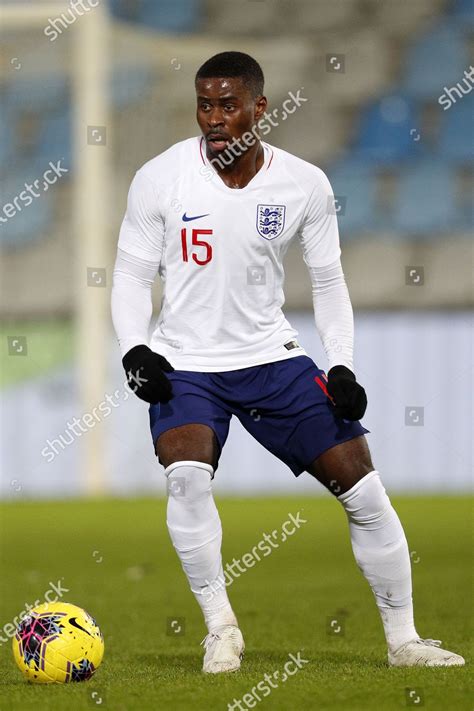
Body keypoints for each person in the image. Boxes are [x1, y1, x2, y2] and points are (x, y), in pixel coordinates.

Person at [111, 51, 464, 673]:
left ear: (259, 107)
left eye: (228, 104)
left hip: (273, 359)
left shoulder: (304, 183)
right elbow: (131, 277)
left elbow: (328, 283)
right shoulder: (159, 178)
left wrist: (344, 365)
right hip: (186, 363)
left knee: (364, 488)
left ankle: (405, 641)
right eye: (204, 104)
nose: (214, 118)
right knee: (186, 475)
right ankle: (221, 629)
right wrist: (135, 350)